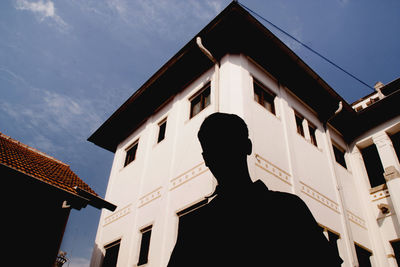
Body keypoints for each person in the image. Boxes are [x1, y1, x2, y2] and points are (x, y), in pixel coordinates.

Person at [168, 112, 343, 266]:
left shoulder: (195, 227)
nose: (223, 154)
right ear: (247, 146)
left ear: (206, 159)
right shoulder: (288, 208)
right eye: (218, 147)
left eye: (227, 145)